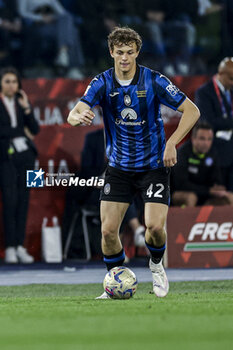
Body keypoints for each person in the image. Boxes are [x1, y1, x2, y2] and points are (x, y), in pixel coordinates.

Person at [68, 27, 200, 299]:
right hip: (119, 168)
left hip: (153, 166)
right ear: (111, 53)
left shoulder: (154, 80)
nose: (125, 58)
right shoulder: (102, 82)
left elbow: (192, 110)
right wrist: (79, 117)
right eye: (120, 53)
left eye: (130, 52)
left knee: (153, 229)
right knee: (107, 232)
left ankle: (156, 266)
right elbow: (75, 111)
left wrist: (172, 142)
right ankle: (115, 278)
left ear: (137, 52)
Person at [0, 67, 40, 263]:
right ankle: (9, 248)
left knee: (24, 201)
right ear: (1, 83)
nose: (11, 85)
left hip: (27, 156)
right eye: (7, 81)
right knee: (10, 201)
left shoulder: (21, 102)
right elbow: (6, 130)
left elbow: (35, 129)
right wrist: (17, 130)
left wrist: (27, 108)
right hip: (5, 158)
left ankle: (20, 246)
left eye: (14, 82)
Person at [172, 122, 233, 206]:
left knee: (230, 197)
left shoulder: (213, 153)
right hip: (180, 193)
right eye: (202, 139)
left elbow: (217, 179)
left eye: (209, 139)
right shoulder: (182, 153)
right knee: (191, 197)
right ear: (193, 139)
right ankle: (189, 219)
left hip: (205, 193)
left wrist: (218, 187)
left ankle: (209, 218)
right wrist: (208, 190)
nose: (206, 143)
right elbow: (181, 184)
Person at [195, 57, 233, 191]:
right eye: (231, 79)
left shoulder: (231, 90)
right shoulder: (204, 92)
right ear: (221, 74)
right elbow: (207, 122)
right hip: (217, 153)